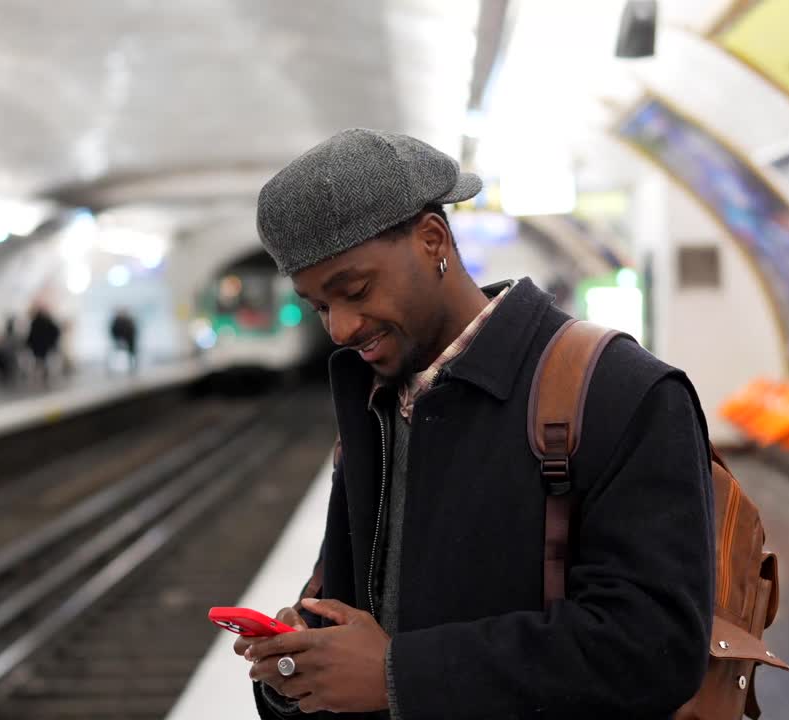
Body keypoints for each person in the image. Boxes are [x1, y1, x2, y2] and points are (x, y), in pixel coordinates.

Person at [237, 129, 714, 719]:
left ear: (432, 239)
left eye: (355, 290)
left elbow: (655, 645)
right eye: (319, 307)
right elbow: (350, 611)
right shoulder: (373, 407)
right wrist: (299, 666)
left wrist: (397, 675)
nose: (340, 328)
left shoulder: (618, 391)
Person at [25, 304, 61, 385]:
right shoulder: (47, 322)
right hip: (44, 346)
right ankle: (43, 376)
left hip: (39, 346)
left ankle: (41, 377)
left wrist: (28, 344)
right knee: (42, 361)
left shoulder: (36, 323)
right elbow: (56, 332)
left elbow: (31, 335)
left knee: (40, 361)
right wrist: (53, 342)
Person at [109, 308, 139, 373]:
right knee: (115, 352)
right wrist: (118, 340)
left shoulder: (129, 321)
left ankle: (133, 368)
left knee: (132, 352)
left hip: (129, 340)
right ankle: (112, 368)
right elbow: (113, 331)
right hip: (119, 340)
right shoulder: (117, 321)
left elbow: (133, 332)